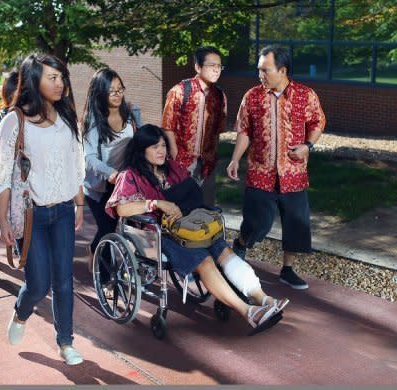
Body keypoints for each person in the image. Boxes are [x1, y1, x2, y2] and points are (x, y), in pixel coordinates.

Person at [106, 124, 288, 335]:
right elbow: (121, 207)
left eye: (163, 145)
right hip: (158, 234)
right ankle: (248, 312)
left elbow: (193, 194)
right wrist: (156, 203)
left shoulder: (172, 168)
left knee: (223, 251)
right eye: (155, 147)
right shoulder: (130, 175)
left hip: (189, 225)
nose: (162, 151)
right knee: (203, 260)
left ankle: (263, 298)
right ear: (141, 149)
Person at [0, 53, 85, 365]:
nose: (60, 84)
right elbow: (3, 173)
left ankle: (66, 342)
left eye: (61, 77)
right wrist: (3, 217)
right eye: (52, 78)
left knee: (63, 281)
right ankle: (21, 313)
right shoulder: (14, 121)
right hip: (32, 216)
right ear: (34, 81)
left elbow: (76, 161)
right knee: (38, 285)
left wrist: (79, 202)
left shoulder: (68, 117)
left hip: (62, 211)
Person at [226, 45, 326, 290]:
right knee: (257, 223)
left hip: (294, 174)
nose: (260, 74)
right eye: (259, 69)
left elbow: (318, 121)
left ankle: (287, 269)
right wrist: (235, 158)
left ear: (282, 70)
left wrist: (308, 146)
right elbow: (244, 130)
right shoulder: (252, 96)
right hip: (261, 172)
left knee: (296, 225)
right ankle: (240, 243)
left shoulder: (306, 95)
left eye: (265, 70)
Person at [82, 68, 142, 273]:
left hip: (126, 182)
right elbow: (89, 158)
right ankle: (106, 276)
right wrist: (110, 173)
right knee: (107, 229)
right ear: (100, 93)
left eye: (120, 89)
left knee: (126, 226)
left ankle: (126, 263)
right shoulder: (93, 119)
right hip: (100, 186)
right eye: (111, 91)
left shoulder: (131, 113)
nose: (117, 95)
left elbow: (140, 143)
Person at [162, 46, 227, 206]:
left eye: (219, 66)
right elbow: (167, 127)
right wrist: (175, 156)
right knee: (180, 210)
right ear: (198, 67)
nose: (216, 70)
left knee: (205, 211)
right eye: (212, 66)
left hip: (207, 165)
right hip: (182, 163)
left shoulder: (220, 96)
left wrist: (213, 156)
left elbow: (218, 130)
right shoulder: (179, 91)